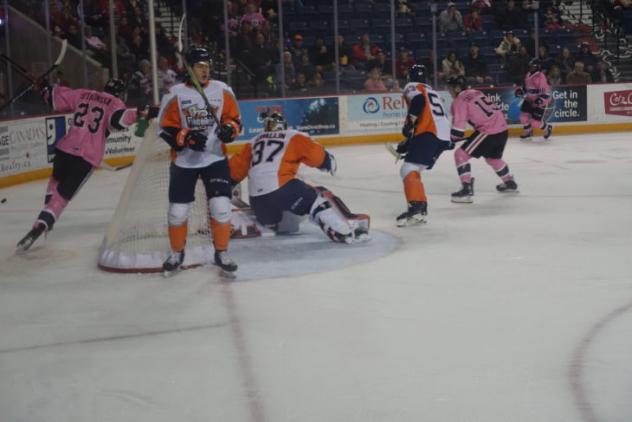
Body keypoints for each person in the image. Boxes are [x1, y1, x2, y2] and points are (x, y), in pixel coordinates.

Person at [16, 79, 141, 252]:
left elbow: (54, 98)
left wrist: (45, 87)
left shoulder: (83, 93)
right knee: (62, 197)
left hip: (64, 149)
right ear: (121, 93)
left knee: (55, 180)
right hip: (85, 157)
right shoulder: (115, 102)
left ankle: (47, 210)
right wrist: (140, 113)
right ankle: (41, 224)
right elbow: (119, 120)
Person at [157, 46, 242, 274]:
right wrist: (186, 137)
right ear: (189, 69)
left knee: (221, 208)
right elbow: (163, 128)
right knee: (177, 212)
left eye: (207, 66)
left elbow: (235, 120)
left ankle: (222, 252)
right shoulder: (175, 94)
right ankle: (177, 253)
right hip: (184, 162)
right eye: (200, 66)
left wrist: (229, 130)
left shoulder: (222, 90)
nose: (205, 70)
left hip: (215, 159)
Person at [228, 112, 369, 243]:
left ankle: (263, 223)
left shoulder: (253, 141)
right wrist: (328, 161)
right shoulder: (292, 136)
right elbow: (315, 155)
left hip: (258, 201)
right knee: (319, 195)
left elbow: (233, 171)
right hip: (281, 189)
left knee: (289, 212)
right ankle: (341, 230)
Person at [394, 64, 452, 226]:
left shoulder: (412, 86)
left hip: (429, 133)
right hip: (442, 135)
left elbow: (418, 102)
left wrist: (409, 123)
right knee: (416, 168)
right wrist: (410, 142)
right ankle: (420, 207)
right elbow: (432, 115)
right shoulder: (432, 90)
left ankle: (417, 210)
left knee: (408, 168)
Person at [446, 76, 518, 203]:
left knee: (460, 155)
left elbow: (458, 130)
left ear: (457, 87)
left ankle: (466, 189)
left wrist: (450, 139)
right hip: (502, 130)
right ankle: (509, 181)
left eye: (450, 87)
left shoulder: (459, 100)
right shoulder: (476, 92)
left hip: (488, 131)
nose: (448, 90)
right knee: (493, 158)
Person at [515, 59, 553, 141]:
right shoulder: (528, 74)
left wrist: (540, 100)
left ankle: (547, 128)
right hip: (529, 99)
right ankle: (528, 131)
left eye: (533, 66)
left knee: (535, 123)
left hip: (540, 102)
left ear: (537, 67)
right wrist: (521, 91)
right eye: (530, 66)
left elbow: (546, 92)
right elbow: (526, 88)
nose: (531, 67)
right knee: (523, 118)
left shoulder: (541, 77)